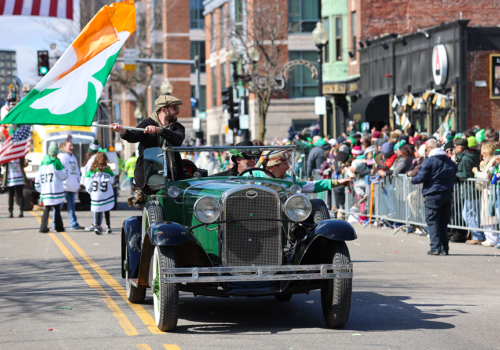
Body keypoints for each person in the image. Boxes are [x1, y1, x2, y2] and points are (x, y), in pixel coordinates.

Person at [110, 95, 185, 194]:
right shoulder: (147, 123)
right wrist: (123, 131)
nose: (178, 111)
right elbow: (134, 136)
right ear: (164, 110)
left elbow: (178, 139)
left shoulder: (178, 127)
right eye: (175, 108)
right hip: (149, 175)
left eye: (178, 108)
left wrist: (160, 130)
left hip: (173, 176)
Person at [409, 139, 457, 255]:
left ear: (430, 148)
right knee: (443, 221)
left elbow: (421, 177)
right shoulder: (450, 162)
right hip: (447, 193)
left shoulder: (429, 161)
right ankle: (444, 248)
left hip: (432, 193)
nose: (426, 152)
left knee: (432, 221)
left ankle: (435, 248)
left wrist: (412, 179)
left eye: (426, 149)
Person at [260, 149, 353, 192]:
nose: (288, 167)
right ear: (273, 166)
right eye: (285, 164)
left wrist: (338, 182)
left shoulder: (288, 180)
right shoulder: (253, 177)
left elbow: (313, 185)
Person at [454, 137, 482, 244]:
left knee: (467, 214)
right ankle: (478, 235)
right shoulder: (473, 154)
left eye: (456, 147)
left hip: (470, 190)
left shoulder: (466, 158)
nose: (455, 149)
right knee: (474, 213)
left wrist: (453, 174)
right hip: (473, 188)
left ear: (460, 148)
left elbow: (465, 174)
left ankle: (477, 235)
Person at [35, 141, 68, 233]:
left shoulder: (42, 163)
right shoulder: (56, 162)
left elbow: (37, 177)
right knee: (57, 208)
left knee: (47, 209)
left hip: (46, 190)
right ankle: (59, 227)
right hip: (55, 190)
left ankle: (43, 227)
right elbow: (63, 175)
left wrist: (39, 188)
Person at [472, 141, 498, 246]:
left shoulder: (493, 161)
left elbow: (487, 176)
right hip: (486, 191)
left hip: (490, 192)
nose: (482, 153)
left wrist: (477, 172)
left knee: (490, 217)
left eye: (483, 151)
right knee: (485, 216)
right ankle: (489, 238)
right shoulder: (488, 161)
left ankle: (492, 239)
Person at [55, 140, 84, 230]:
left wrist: (79, 181)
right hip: (64, 186)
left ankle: (74, 224)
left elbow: (76, 171)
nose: (72, 147)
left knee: (72, 206)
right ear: (63, 146)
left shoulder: (73, 157)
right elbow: (60, 171)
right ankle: (54, 224)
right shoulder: (61, 157)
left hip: (72, 187)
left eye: (72, 146)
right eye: (69, 146)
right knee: (58, 207)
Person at [84, 152, 115, 235]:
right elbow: (112, 179)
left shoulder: (92, 169)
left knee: (98, 209)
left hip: (96, 194)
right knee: (106, 209)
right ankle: (108, 226)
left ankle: (97, 226)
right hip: (105, 193)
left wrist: (89, 190)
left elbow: (86, 180)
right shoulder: (107, 169)